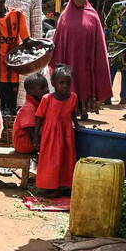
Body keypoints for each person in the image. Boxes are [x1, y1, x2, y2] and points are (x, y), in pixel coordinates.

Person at [49, 0, 112, 119]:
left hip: (87, 57)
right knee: (70, 81)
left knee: (84, 82)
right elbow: (59, 38)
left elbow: (99, 39)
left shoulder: (93, 15)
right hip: (69, 57)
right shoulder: (64, 16)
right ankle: (72, 109)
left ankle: (84, 109)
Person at [34, 65, 78, 195]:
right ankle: (49, 186)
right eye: (61, 83)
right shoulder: (47, 99)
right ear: (53, 83)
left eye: (68, 83)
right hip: (51, 134)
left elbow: (72, 113)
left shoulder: (73, 97)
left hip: (66, 133)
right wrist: (36, 137)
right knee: (51, 159)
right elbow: (39, 118)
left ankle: (64, 185)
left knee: (66, 158)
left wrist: (77, 124)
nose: (65, 86)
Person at [13, 71, 49, 155]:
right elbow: (29, 128)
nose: (47, 90)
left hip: (29, 142)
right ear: (31, 91)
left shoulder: (38, 104)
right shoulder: (29, 107)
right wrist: (37, 142)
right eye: (43, 88)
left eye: (47, 86)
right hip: (24, 144)